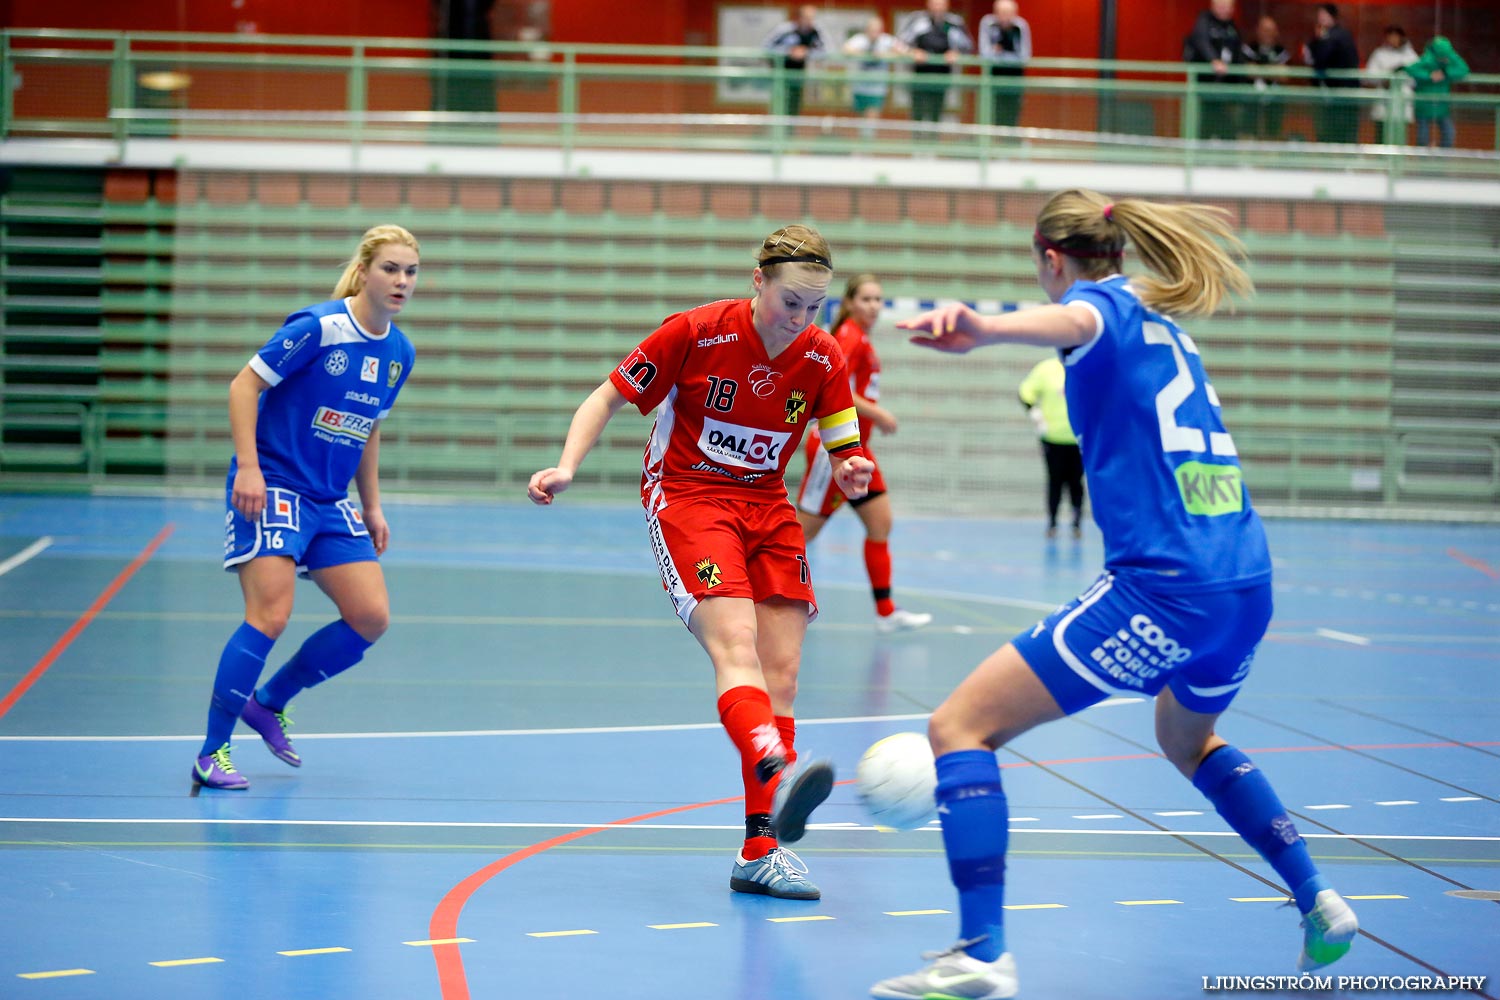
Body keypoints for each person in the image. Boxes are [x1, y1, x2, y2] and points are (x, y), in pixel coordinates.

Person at [867, 189, 1359, 997]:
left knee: (959, 727)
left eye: (1041, 267)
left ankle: (983, 952)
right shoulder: (1168, 323)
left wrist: (987, 328)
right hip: (1245, 580)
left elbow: (1076, 323)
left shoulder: (1101, 308)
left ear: (1052, 260)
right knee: (1186, 738)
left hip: (1165, 588)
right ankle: (1318, 898)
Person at [528, 225, 875, 901]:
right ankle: (768, 754)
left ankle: (759, 850)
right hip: (689, 499)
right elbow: (605, 396)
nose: (800, 319)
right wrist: (568, 465)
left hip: (768, 508)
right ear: (758, 281)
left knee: (784, 672)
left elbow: (843, 446)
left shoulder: (824, 357)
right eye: (790, 301)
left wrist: (855, 469)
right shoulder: (695, 332)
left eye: (813, 306)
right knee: (736, 644)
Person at [193, 225, 420, 790]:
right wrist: (248, 467)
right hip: (274, 485)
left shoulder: (399, 352)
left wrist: (373, 506)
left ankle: (270, 702)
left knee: (371, 616)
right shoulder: (318, 328)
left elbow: (367, 430)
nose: (401, 281)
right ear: (365, 271)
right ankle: (211, 752)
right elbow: (243, 386)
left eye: (411, 271)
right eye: (390, 268)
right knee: (270, 614)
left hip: (330, 497)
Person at [796, 274, 932, 633]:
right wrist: (879, 412)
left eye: (878, 299)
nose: (874, 306)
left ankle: (886, 612)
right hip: (834, 451)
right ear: (850, 303)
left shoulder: (862, 339)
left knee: (880, 523)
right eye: (866, 299)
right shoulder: (848, 337)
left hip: (859, 452)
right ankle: (752, 589)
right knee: (799, 534)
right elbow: (835, 389)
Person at [1017, 354, 1084, 539]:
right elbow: (1025, 393)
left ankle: (1076, 523)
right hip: (1052, 438)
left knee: (1076, 483)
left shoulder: (1085, 365)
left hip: (1079, 439)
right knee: (1055, 481)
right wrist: (1035, 413)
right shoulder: (1046, 369)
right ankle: (1052, 522)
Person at [897, 0, 973, 125]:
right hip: (919, 74)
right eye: (935, 3)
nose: (938, 7)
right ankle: (917, 140)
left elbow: (968, 46)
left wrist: (956, 53)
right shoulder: (917, 19)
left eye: (941, 4)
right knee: (918, 111)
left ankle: (934, 138)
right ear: (928, 4)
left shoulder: (954, 22)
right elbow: (898, 43)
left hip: (942, 74)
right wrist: (912, 52)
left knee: (936, 111)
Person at [1183, 0, 1246, 140]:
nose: (1224, 9)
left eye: (1228, 6)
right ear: (1213, 6)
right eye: (1221, 5)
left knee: (1228, 126)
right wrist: (1214, 60)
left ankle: (1228, 158)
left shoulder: (1232, 27)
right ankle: (1198, 157)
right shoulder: (1204, 20)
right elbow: (1200, 40)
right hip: (1205, 86)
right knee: (1204, 124)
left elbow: (1238, 55)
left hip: (1225, 90)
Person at [1302, 3, 1361, 144]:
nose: (1320, 19)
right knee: (1335, 131)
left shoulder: (1335, 36)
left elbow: (1320, 60)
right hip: (1336, 95)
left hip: (1340, 95)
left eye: (1323, 15)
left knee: (1337, 132)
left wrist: (1320, 40)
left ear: (1332, 17)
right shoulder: (1330, 36)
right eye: (1318, 16)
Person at [842, 16, 906, 139]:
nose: (874, 33)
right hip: (859, 87)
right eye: (872, 30)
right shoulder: (860, 40)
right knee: (860, 118)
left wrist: (885, 55)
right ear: (867, 30)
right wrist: (866, 55)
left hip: (877, 88)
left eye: (877, 30)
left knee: (872, 118)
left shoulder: (886, 40)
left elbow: (904, 52)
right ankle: (860, 145)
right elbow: (846, 49)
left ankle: (867, 145)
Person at [763, 5, 830, 119]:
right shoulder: (784, 29)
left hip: (798, 75)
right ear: (799, 18)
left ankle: (789, 132)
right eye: (806, 18)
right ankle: (775, 133)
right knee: (778, 105)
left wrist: (807, 52)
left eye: (812, 18)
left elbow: (828, 50)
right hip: (779, 74)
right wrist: (788, 51)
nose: (809, 21)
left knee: (793, 107)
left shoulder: (816, 31)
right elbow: (765, 47)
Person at [1405, 35, 1470, 149]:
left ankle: (1442, 158)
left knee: (1449, 133)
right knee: (1423, 136)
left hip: (1442, 105)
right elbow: (1411, 69)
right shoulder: (1427, 59)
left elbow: (1463, 69)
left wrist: (1446, 72)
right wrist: (1429, 76)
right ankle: (1422, 160)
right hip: (1424, 105)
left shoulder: (1448, 60)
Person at [977, 0, 1031, 129]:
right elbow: (984, 54)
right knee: (991, 110)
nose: (1005, 16)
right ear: (996, 12)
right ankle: (989, 143)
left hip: (1014, 77)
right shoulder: (988, 23)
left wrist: (1000, 54)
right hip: (992, 76)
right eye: (1002, 12)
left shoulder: (1020, 25)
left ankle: (1010, 141)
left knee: (1012, 111)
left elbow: (1024, 57)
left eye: (1008, 13)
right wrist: (996, 53)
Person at [1364, 25, 1418, 144]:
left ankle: (1399, 160)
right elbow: (1369, 76)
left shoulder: (1410, 56)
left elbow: (1415, 79)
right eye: (1390, 36)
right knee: (1381, 134)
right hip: (1383, 100)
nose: (1392, 39)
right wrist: (1386, 77)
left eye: (1395, 36)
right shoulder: (1379, 54)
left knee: (1400, 136)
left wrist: (1401, 76)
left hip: (1402, 101)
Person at [1242, 15, 1290, 140]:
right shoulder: (1249, 48)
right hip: (1250, 100)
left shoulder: (1280, 50)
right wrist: (1272, 70)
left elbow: (1284, 75)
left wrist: (1260, 69)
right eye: (1264, 30)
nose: (1267, 34)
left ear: (1276, 32)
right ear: (1258, 30)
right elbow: (1249, 72)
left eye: (1270, 30)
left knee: (1273, 133)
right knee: (1248, 132)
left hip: (1274, 100)